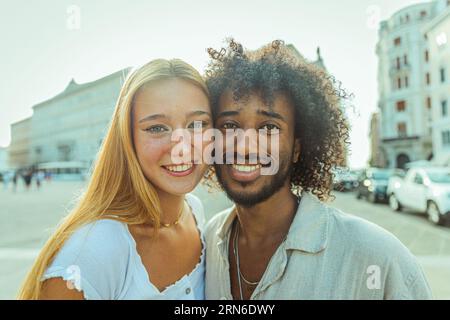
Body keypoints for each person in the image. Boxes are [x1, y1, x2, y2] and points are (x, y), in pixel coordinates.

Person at [203, 39, 432, 300]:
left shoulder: (379, 259)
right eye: (229, 126)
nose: (244, 147)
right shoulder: (206, 242)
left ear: (298, 148)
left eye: (269, 128)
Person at [18, 59, 212, 300]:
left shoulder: (193, 211)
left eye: (197, 124)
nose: (182, 145)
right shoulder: (92, 253)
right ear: (127, 138)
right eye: (156, 128)